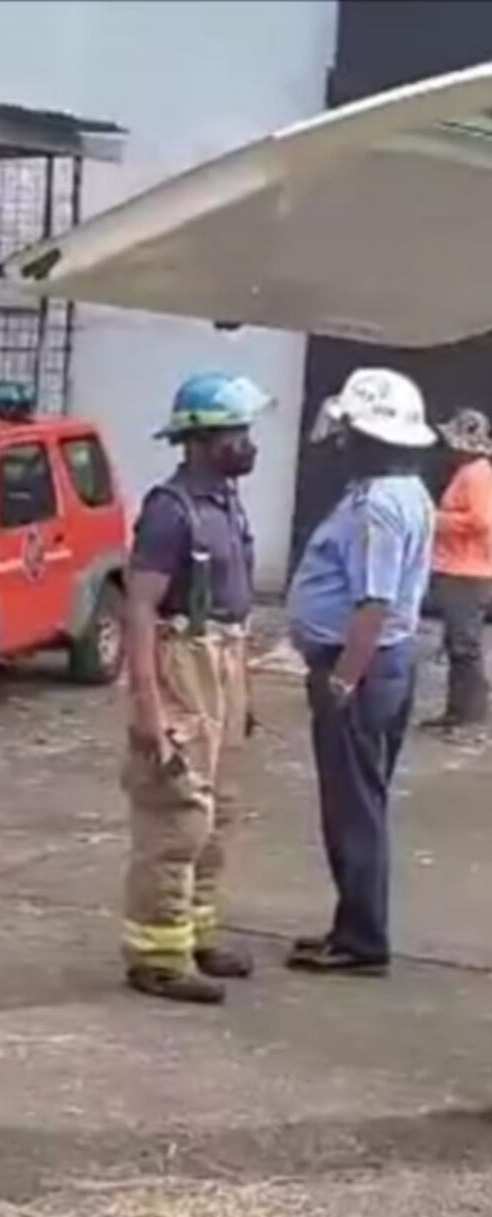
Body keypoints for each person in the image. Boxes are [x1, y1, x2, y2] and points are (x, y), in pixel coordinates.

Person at [122, 371, 273, 1005]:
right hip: (183, 661)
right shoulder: (170, 510)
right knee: (178, 811)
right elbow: (138, 610)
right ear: (204, 438)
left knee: (221, 811)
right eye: (238, 431)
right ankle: (157, 956)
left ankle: (196, 932)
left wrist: (244, 692)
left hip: (225, 657)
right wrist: (151, 711)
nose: (248, 443)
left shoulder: (225, 503)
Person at [286, 368, 436, 977]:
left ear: (368, 438)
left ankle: (360, 942)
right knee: (361, 801)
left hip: (362, 669)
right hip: (385, 667)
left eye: (349, 430)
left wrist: (343, 680)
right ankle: (352, 927)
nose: (340, 441)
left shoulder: (379, 505)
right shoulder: (406, 494)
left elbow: (373, 603)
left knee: (353, 807)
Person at [421, 408, 492, 732]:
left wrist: (437, 520)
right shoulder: (472, 472)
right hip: (461, 568)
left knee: (465, 645)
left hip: (467, 571)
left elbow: (481, 521)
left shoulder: (476, 474)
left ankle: (469, 715)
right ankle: (458, 711)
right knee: (457, 644)